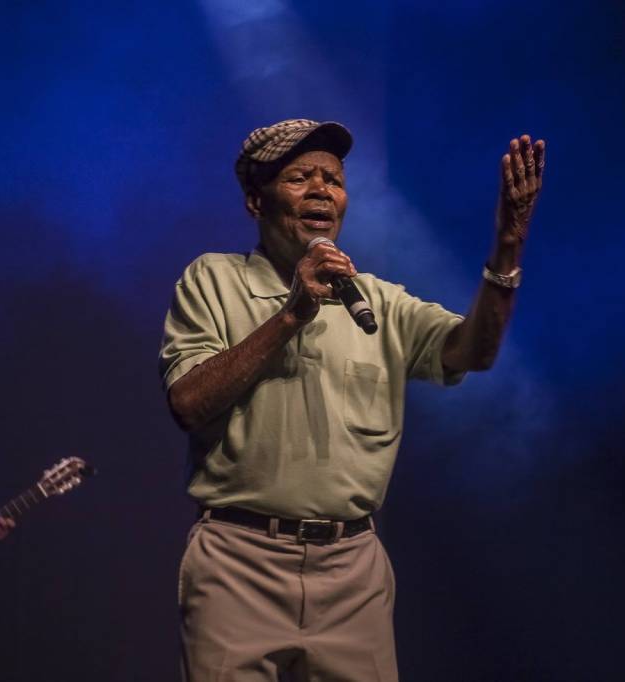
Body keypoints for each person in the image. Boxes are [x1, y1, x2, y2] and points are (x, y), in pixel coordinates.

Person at [159, 118, 545, 681]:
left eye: (333, 180)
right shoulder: (213, 280)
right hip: (239, 560)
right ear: (254, 200)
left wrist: (509, 244)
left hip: (352, 567)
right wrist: (292, 313)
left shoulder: (380, 302)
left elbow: (473, 350)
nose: (321, 190)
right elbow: (188, 402)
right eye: (299, 178)